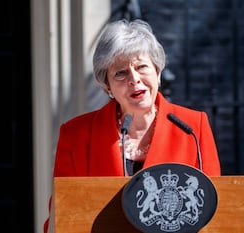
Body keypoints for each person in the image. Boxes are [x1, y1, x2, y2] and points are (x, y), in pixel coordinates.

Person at [43, 19, 221, 232]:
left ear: (157, 71)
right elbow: (61, 216)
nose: (134, 79)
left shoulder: (192, 128)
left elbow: (216, 209)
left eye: (142, 67)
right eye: (120, 73)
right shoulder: (77, 135)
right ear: (107, 86)